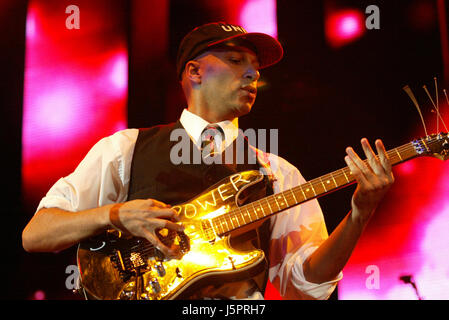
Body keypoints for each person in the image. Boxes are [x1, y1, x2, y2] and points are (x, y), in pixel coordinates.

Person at [22, 22, 394, 300]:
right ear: (194, 73)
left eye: (255, 67)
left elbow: (306, 284)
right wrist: (117, 215)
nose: (252, 73)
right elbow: (36, 234)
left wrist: (359, 214)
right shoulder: (127, 148)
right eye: (235, 60)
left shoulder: (276, 172)